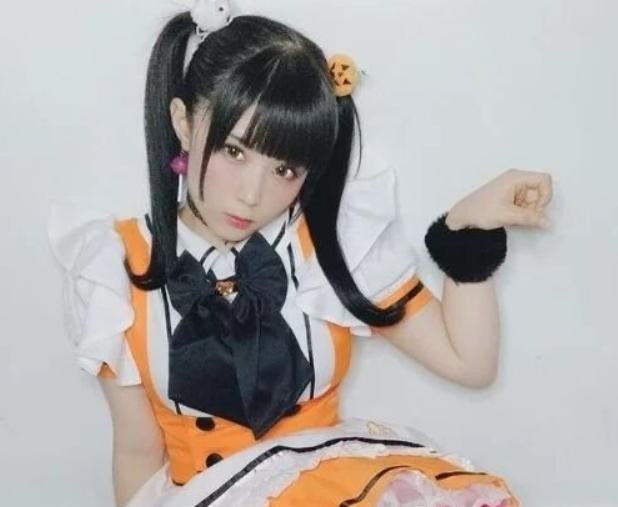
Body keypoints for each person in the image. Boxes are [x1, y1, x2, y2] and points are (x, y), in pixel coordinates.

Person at [49, 1, 552, 505]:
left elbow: (469, 362)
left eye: (284, 169)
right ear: (182, 122)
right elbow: (137, 451)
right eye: (233, 150)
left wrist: (469, 230)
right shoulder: (115, 268)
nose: (252, 194)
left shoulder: (332, 244)